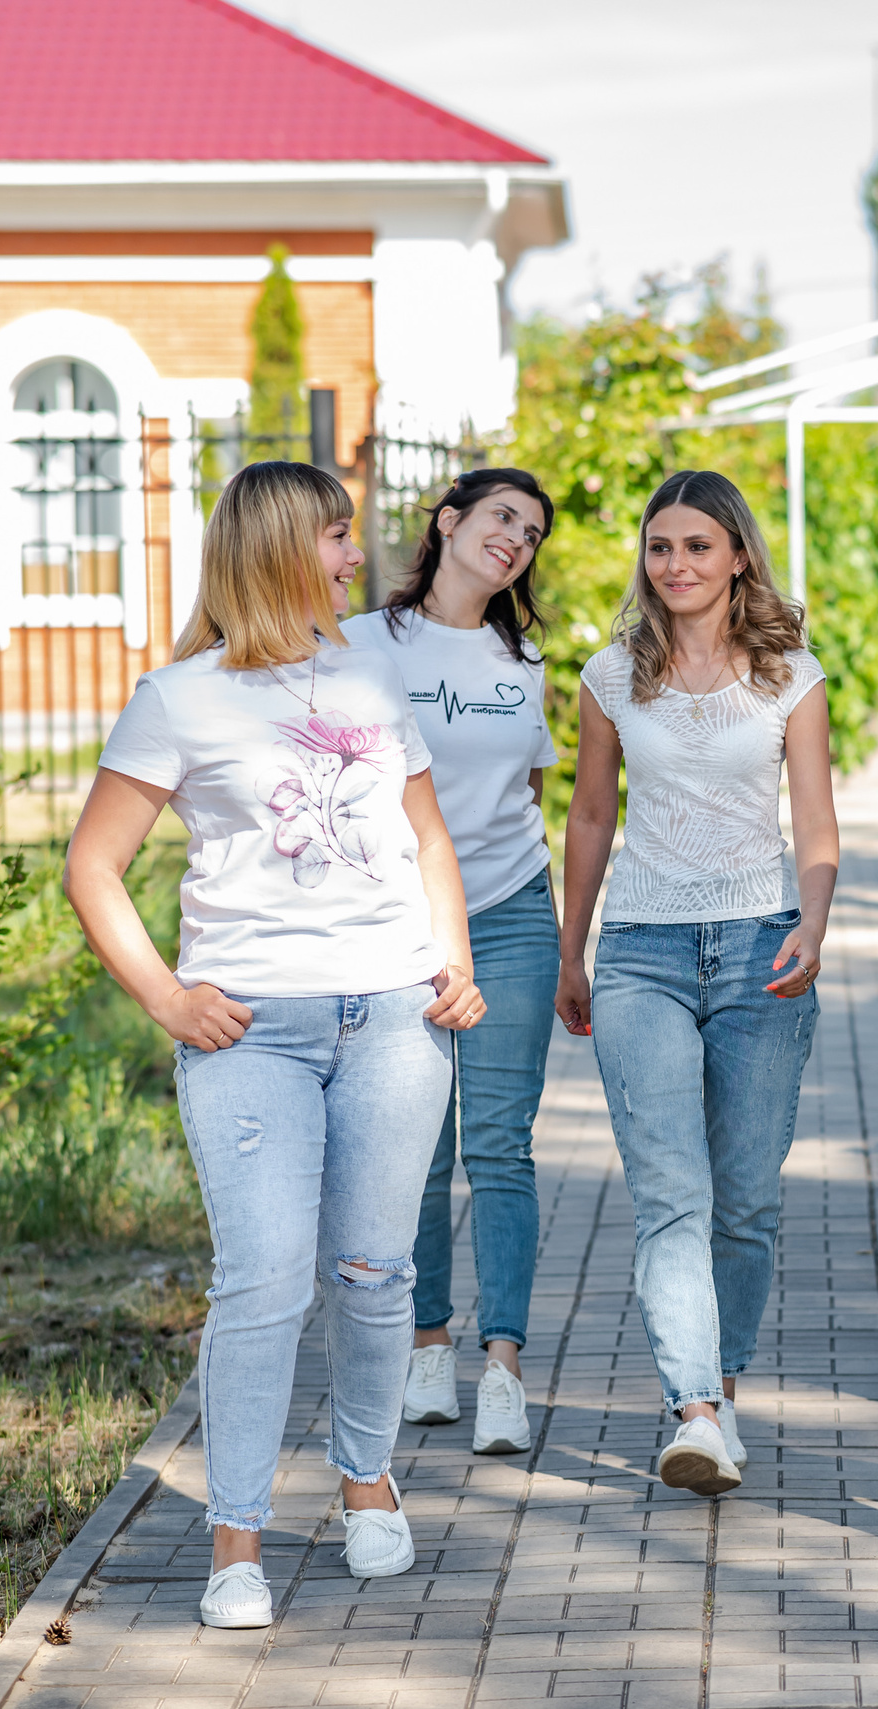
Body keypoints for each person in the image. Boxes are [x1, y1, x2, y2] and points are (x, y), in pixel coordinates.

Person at [63, 461, 487, 1630]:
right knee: (260, 1279)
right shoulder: (178, 696)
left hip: (395, 1014)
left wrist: (452, 961)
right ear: (279, 550)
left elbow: (429, 839)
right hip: (254, 1027)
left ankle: (366, 1483)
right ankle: (234, 1542)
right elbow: (91, 866)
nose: (357, 556)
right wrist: (164, 995)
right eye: (339, 536)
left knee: (373, 1270)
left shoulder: (369, 670)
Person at [556, 469, 838, 1497]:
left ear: (737, 559)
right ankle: (695, 1409)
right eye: (659, 546)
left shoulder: (790, 677)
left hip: (762, 944)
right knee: (670, 1189)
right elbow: (591, 816)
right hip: (641, 950)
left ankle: (719, 1377)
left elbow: (815, 821)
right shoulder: (609, 675)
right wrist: (569, 947)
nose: (674, 565)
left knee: (746, 1198)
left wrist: (813, 921)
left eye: (697, 546)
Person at [341, 468, 559, 1457]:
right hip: (400, 923)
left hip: (512, 915)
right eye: (500, 517)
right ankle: (427, 1345)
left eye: (532, 530)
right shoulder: (362, 645)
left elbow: (533, 794)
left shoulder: (527, 660)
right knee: (417, 1147)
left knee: (500, 1145)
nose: (514, 537)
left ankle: (503, 1364)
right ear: (449, 522)